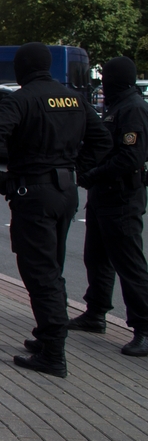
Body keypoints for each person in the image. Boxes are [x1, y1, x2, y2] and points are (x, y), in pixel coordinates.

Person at [0, 42, 111, 378]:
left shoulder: (23, 99)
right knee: (53, 268)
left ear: (22, 68)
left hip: (34, 193)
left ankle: (53, 352)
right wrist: (77, 168)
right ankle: (48, 335)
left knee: (40, 273)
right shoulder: (74, 98)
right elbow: (102, 140)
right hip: (65, 193)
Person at [72, 56, 148, 357]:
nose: (101, 83)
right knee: (96, 257)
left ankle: (144, 327)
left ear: (116, 80)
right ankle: (96, 312)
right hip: (104, 196)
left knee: (129, 265)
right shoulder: (117, 106)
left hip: (122, 197)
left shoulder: (133, 110)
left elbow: (129, 158)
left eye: (105, 78)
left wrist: (92, 175)